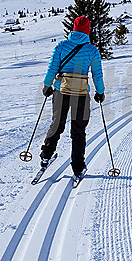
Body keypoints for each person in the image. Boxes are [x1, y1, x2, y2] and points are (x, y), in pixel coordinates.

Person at [39, 15, 105, 179]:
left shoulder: (61, 46)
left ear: (73, 29)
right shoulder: (92, 50)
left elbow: (52, 69)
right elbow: (97, 75)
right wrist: (100, 92)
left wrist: (47, 86)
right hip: (81, 94)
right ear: (87, 31)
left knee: (56, 124)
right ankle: (77, 167)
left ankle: (46, 157)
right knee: (78, 130)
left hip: (61, 90)